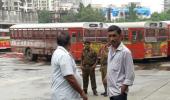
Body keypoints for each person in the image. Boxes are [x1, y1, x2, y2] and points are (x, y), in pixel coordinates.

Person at [51, 32, 88, 100]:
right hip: (65, 95)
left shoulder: (58, 52)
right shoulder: (64, 55)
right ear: (69, 42)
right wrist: (82, 92)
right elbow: (70, 78)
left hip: (62, 94)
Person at [107, 25, 135, 100]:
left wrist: (123, 88)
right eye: (109, 36)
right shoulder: (110, 50)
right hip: (111, 92)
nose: (112, 39)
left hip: (119, 93)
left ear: (120, 36)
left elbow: (130, 74)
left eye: (114, 36)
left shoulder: (125, 52)